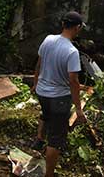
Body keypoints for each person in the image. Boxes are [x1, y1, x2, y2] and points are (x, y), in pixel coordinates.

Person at [33, 11, 87, 177]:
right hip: (59, 98)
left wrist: (36, 84)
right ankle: (49, 174)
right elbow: (73, 81)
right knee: (56, 139)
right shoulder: (72, 52)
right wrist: (78, 109)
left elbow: (39, 64)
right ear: (77, 28)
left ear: (63, 24)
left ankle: (39, 140)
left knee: (46, 114)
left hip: (42, 92)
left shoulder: (48, 40)